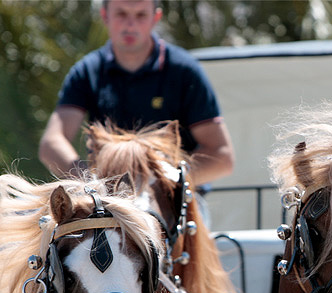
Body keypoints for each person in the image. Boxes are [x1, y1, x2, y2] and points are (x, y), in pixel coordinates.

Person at [38, 0, 234, 187]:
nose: (130, 25)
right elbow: (52, 143)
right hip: (110, 199)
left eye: (141, 15)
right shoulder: (86, 72)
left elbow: (222, 156)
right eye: (121, 14)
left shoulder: (185, 71)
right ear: (105, 15)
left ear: (155, 18)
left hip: (175, 201)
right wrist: (92, 182)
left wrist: (165, 181)